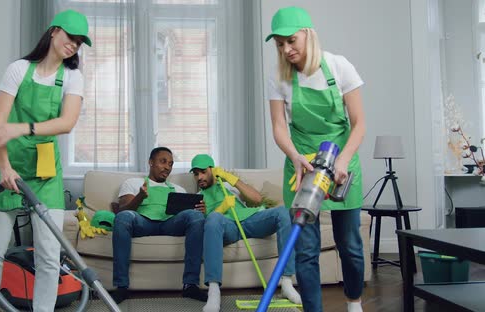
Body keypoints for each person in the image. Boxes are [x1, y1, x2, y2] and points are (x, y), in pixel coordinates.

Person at [0, 9, 91, 312]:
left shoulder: (72, 77)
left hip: (45, 173)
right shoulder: (18, 69)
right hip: (9, 167)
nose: (74, 45)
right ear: (54, 31)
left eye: (79, 42)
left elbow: (66, 123)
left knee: (49, 254)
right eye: (71, 37)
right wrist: (3, 166)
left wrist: (23, 128)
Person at [266, 6, 366, 312]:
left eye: (291, 41)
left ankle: (354, 302)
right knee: (306, 251)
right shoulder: (280, 78)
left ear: (308, 35)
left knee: (349, 246)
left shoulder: (339, 67)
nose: (286, 49)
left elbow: (359, 122)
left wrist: (343, 160)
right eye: (280, 44)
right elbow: (279, 128)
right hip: (302, 166)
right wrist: (294, 155)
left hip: (341, 164)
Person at [190, 154, 301, 312]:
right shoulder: (197, 198)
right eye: (196, 174)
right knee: (214, 218)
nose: (199, 177)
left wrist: (229, 178)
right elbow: (206, 228)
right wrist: (217, 210)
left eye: (203, 172)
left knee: (282, 212)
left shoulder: (227, 185)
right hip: (227, 227)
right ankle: (214, 291)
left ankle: (287, 282)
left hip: (250, 220)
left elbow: (256, 199)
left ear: (212, 170)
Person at [111, 147, 208, 303]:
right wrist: (140, 197)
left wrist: (200, 211)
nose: (167, 167)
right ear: (150, 162)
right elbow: (123, 210)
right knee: (123, 218)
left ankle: (190, 285)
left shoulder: (178, 189)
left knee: (196, 216)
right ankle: (121, 287)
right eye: (163, 162)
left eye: (170, 164)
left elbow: (187, 217)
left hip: (170, 224)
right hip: (142, 223)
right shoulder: (133, 183)